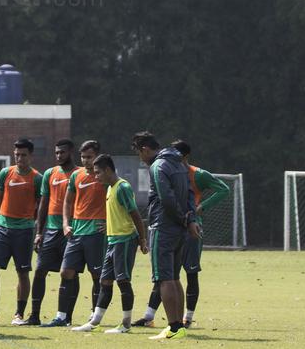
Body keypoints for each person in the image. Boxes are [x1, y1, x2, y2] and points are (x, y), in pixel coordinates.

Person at [136, 140, 229, 329]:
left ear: (185, 157)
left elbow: (223, 189)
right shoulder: (174, 169)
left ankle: (185, 319)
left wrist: (200, 209)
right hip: (182, 224)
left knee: (186, 273)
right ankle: (151, 316)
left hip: (182, 225)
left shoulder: (195, 173)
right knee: (171, 275)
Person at [131, 131, 199, 341]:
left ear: (144, 149)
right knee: (175, 277)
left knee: (163, 278)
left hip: (164, 227)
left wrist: (181, 219)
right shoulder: (179, 163)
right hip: (179, 229)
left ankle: (173, 327)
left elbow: (167, 198)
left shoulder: (158, 166)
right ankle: (179, 327)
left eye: (138, 153)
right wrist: (190, 220)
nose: (140, 159)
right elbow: (189, 193)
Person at [71, 154, 147, 333]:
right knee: (105, 281)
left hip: (125, 241)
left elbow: (136, 215)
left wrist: (142, 240)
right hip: (112, 242)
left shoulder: (123, 187)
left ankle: (126, 325)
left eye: (98, 173)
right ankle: (94, 322)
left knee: (123, 281)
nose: (95, 176)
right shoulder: (109, 188)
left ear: (107, 170)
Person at [45, 140, 106, 327]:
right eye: (83, 157)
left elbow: (116, 199)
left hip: (96, 232)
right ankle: (62, 317)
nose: (86, 160)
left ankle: (94, 317)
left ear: (97, 156)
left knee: (97, 275)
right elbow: (68, 202)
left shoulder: (105, 177)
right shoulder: (76, 176)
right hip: (76, 232)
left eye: (89, 157)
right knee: (66, 272)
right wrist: (65, 223)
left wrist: (109, 222)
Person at [0, 138, 40, 325]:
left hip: (24, 231)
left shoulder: (37, 178)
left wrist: (30, 222)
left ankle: (19, 313)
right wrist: (6, 217)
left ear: (30, 156)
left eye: (23, 155)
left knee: (22, 272)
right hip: (2, 228)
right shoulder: (5, 173)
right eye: (16, 154)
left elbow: (40, 206)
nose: (19, 158)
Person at [26, 138, 76, 325]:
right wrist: (39, 232)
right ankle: (34, 316)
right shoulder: (50, 173)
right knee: (39, 270)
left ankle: (67, 317)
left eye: (62, 152)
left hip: (71, 231)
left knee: (71, 273)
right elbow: (43, 204)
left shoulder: (79, 174)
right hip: (50, 231)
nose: (58, 155)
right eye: (56, 152)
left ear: (71, 152)